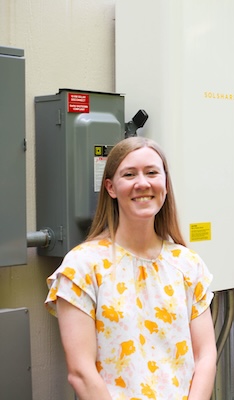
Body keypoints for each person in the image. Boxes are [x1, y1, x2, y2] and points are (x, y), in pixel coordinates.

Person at [45, 136, 217, 400]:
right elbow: (80, 372)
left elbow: (205, 356)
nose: (142, 183)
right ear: (111, 188)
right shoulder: (82, 266)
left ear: (165, 185)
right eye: (129, 174)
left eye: (151, 172)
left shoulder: (188, 265)